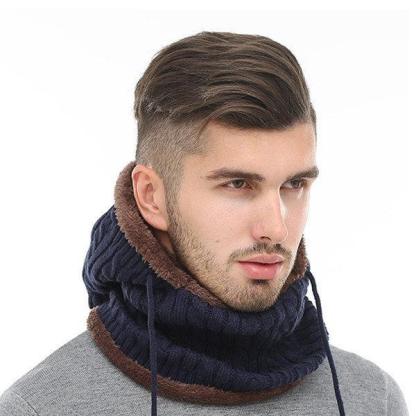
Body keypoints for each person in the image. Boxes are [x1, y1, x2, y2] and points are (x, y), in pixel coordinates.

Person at [0, 31, 409, 416]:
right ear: (151, 196)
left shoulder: (372, 400)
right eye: (238, 184)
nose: (276, 229)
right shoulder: (40, 407)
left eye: (294, 184)